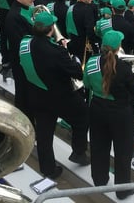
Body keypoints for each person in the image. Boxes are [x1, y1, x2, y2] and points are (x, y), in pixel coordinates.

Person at [20, 11, 90, 179]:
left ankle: (48, 168)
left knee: (44, 134)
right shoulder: (56, 52)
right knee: (83, 116)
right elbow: (77, 73)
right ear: (51, 29)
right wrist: (67, 54)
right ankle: (79, 152)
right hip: (60, 96)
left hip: (37, 94)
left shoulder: (25, 44)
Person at [84, 30, 134, 200]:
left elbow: (87, 84)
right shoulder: (124, 68)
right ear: (118, 47)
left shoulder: (92, 62)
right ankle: (122, 190)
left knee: (99, 146)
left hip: (97, 109)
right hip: (120, 113)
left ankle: (99, 180)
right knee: (123, 151)